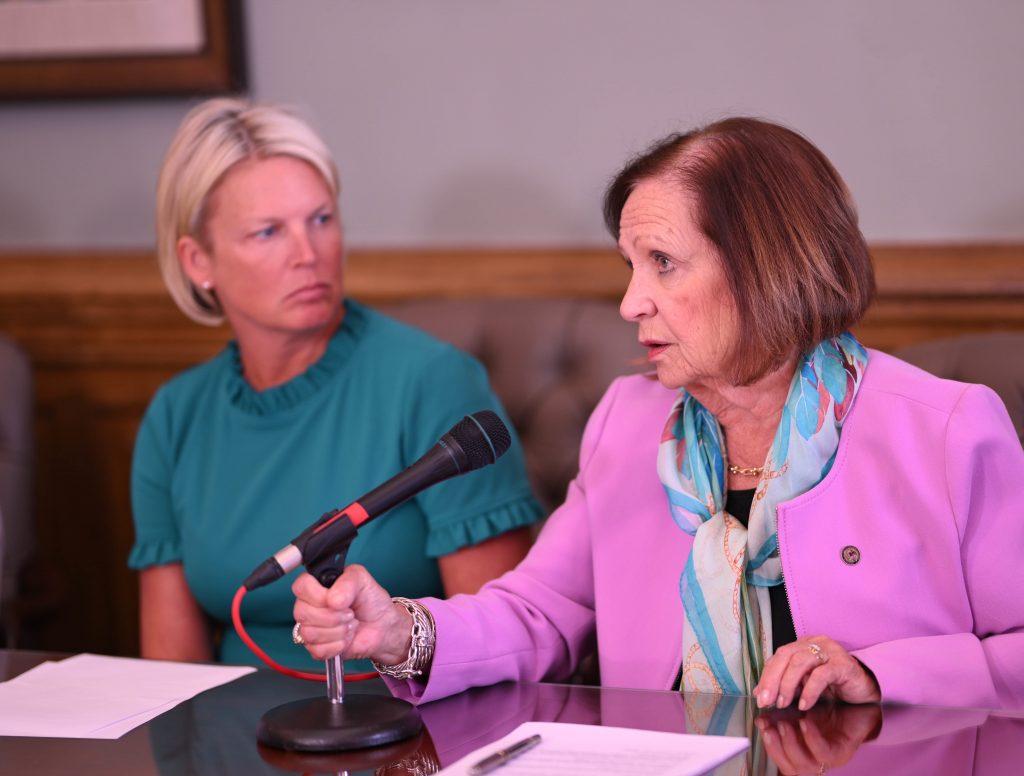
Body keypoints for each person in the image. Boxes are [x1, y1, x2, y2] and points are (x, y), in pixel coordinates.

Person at [292, 117, 1024, 710]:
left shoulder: (946, 430)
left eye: (663, 263)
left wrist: (878, 675)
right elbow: (541, 611)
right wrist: (401, 633)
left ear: (766, 267)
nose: (630, 302)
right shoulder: (628, 421)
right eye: (630, 266)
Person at [129, 98, 542, 670]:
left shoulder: (435, 382)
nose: (308, 254)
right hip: (228, 724)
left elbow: (504, 647)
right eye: (267, 232)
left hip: (405, 721)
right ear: (199, 261)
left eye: (321, 220)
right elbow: (171, 674)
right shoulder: (176, 415)